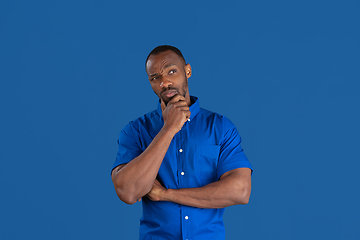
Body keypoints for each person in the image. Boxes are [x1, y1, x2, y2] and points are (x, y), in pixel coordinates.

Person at [111, 45, 253, 240]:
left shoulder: (220, 128)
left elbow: (240, 191)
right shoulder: (136, 131)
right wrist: (168, 128)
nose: (165, 82)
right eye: (155, 78)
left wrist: (166, 194)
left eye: (171, 71)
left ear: (187, 71)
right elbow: (127, 192)